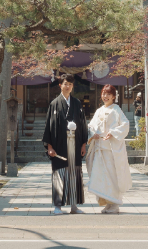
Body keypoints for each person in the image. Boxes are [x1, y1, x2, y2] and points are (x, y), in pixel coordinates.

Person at [42, 73, 88, 214]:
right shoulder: (54, 104)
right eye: (65, 84)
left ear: (72, 86)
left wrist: (83, 144)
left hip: (75, 144)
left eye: (70, 84)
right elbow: (49, 126)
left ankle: (74, 205)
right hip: (59, 145)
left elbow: (83, 124)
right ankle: (58, 205)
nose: (67, 86)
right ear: (60, 85)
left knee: (74, 173)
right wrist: (49, 146)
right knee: (59, 174)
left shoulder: (77, 103)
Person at [86, 84, 132, 214]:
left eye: (108, 94)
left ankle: (115, 204)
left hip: (110, 149)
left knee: (112, 176)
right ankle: (107, 202)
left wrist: (112, 132)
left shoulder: (116, 110)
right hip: (99, 149)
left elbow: (125, 125)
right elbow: (91, 126)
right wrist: (92, 134)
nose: (105, 96)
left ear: (113, 96)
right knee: (101, 177)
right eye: (103, 93)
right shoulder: (99, 110)